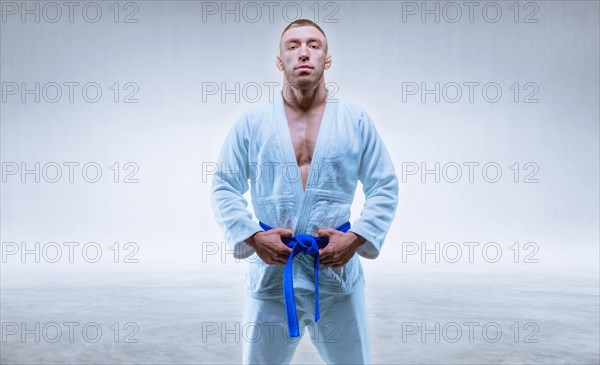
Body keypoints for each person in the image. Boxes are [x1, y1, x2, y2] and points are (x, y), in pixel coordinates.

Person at [210, 19, 399, 365]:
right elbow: (224, 185)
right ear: (280, 61)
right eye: (293, 46)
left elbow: (384, 185)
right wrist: (253, 237)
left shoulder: (354, 120)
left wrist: (355, 238)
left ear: (327, 59)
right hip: (272, 273)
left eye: (314, 45)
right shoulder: (252, 122)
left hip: (336, 271)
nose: (304, 53)